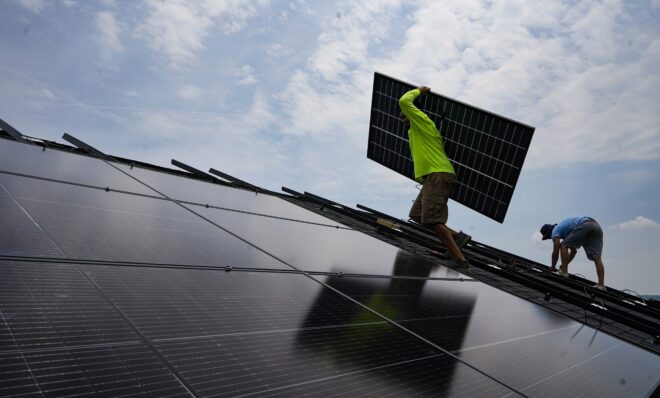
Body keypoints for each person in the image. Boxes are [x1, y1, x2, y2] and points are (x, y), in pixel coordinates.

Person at [399, 85, 471, 268]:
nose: (402, 118)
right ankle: (457, 237)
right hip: (432, 178)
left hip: (438, 175)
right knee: (416, 214)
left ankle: (460, 260)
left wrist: (419, 90)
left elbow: (404, 101)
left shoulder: (423, 122)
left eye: (404, 115)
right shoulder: (415, 131)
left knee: (433, 219)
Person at [540, 216, 606, 290]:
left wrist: (553, 266)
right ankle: (601, 285)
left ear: (549, 230)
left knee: (563, 245)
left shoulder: (555, 230)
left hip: (585, 225)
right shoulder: (566, 230)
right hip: (596, 227)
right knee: (596, 257)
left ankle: (564, 272)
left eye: (548, 236)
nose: (549, 238)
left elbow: (555, 251)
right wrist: (563, 265)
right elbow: (574, 251)